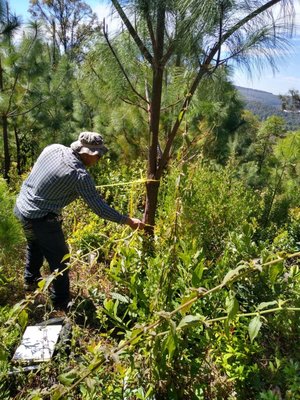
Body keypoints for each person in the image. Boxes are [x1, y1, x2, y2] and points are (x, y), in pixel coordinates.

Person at [14, 131, 144, 310]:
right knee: (60, 261)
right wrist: (128, 221)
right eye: (97, 155)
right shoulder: (79, 175)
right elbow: (99, 208)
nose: (99, 159)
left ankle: (30, 281)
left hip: (21, 207)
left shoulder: (54, 148)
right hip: (41, 218)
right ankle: (60, 302)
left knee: (34, 244)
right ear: (86, 153)